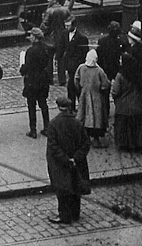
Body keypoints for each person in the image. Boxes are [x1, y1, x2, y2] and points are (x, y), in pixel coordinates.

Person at [46, 96, 91, 224]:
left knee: (62, 188)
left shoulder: (53, 124)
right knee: (76, 186)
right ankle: (75, 213)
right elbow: (86, 143)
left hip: (61, 164)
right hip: (77, 163)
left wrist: (66, 159)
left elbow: (53, 146)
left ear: (58, 107)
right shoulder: (78, 123)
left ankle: (64, 215)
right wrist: (76, 157)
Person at [111, 52, 142, 152]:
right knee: (137, 127)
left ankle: (125, 145)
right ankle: (138, 144)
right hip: (139, 106)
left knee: (124, 128)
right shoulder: (138, 73)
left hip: (124, 108)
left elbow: (115, 91)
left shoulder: (120, 75)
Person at [74, 49, 111, 147]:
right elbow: (105, 84)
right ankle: (96, 139)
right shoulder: (99, 70)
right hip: (97, 96)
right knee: (97, 118)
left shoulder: (81, 68)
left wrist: (80, 90)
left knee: (84, 115)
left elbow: (76, 80)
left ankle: (84, 138)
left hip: (84, 94)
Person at [21, 28, 52, 138]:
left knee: (31, 105)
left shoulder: (30, 51)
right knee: (43, 104)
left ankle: (33, 130)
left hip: (32, 80)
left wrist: (22, 69)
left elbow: (27, 67)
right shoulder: (46, 48)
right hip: (43, 79)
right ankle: (47, 127)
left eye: (31, 36)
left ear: (34, 37)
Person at [63, 18, 90, 109]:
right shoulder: (65, 34)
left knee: (78, 89)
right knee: (70, 88)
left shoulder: (82, 38)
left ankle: (82, 107)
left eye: (68, 25)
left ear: (74, 26)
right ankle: (71, 107)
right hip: (69, 67)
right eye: (65, 25)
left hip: (77, 67)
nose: (66, 27)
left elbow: (84, 53)